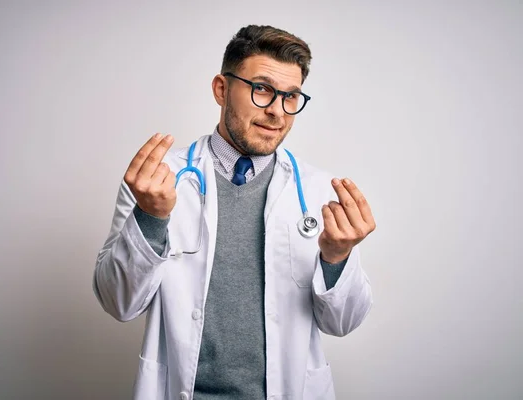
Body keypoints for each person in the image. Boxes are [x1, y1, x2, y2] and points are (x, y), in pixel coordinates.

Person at [93, 24, 376, 400]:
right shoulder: (157, 183)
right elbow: (118, 303)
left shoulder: (318, 191)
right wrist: (151, 218)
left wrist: (338, 257)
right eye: (262, 90)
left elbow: (342, 323)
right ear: (221, 89)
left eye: (291, 97)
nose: (277, 111)